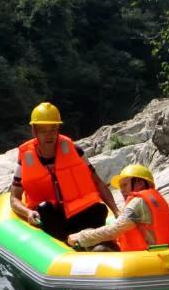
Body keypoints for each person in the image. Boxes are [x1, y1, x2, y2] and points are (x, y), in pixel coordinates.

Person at [10, 102, 119, 242]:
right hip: (53, 220)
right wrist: (28, 213)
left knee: (99, 209)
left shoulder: (75, 150)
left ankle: (92, 243)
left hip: (79, 215)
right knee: (44, 208)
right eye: (44, 130)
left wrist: (116, 211)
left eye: (53, 129)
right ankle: (66, 244)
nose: (49, 135)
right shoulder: (25, 157)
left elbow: (98, 183)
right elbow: (14, 198)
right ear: (34, 131)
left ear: (58, 129)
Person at [67, 164, 169, 251]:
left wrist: (80, 237)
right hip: (158, 252)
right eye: (120, 186)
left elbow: (113, 232)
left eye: (125, 184)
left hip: (141, 259)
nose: (122, 190)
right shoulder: (158, 201)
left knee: (98, 245)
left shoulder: (137, 203)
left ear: (140, 183)